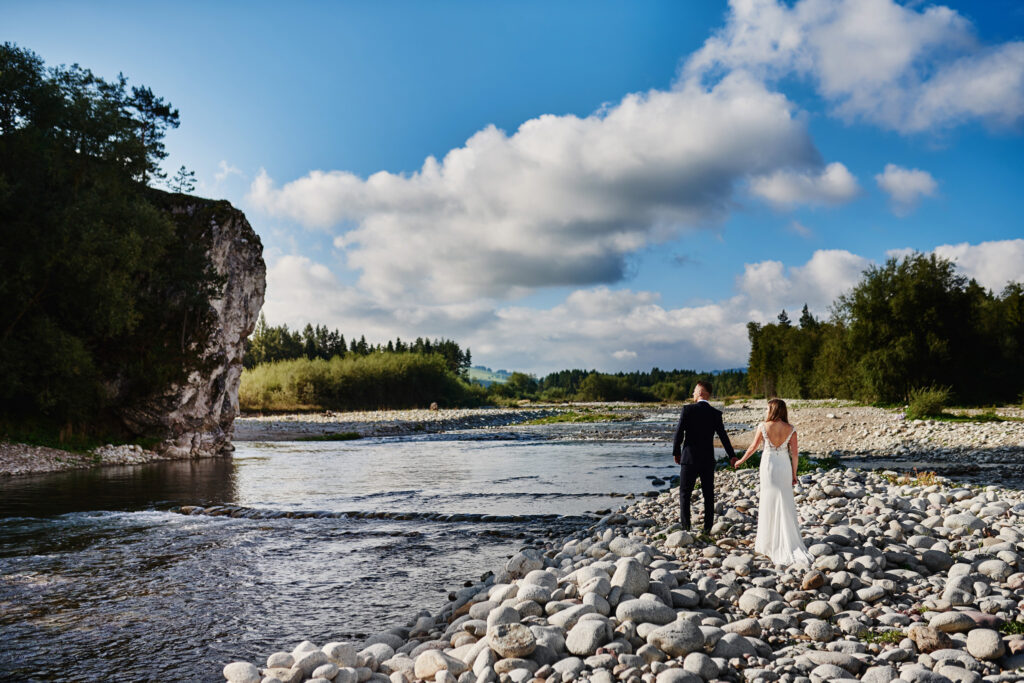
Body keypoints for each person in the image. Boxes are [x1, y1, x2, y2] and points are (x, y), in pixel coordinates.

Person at [733, 398, 813, 566]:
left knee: (768, 500)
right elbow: (795, 454)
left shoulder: (763, 426)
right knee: (784, 500)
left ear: (772, 410)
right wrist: (794, 473)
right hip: (783, 464)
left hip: (769, 465)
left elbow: (752, 448)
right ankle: (787, 540)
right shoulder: (791, 429)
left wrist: (741, 461)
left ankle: (767, 543)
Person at [671, 380, 737, 535]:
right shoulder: (715, 414)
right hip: (707, 459)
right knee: (708, 493)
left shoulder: (687, 410)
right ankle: (707, 528)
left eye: (694, 390)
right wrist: (732, 455)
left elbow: (679, 433)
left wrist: (676, 452)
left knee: (685, 493)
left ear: (700, 392)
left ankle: (686, 527)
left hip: (689, 458)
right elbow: (723, 436)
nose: (693, 394)